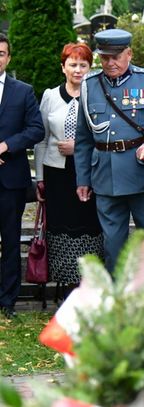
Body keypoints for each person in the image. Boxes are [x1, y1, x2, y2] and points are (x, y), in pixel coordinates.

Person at [74, 29, 144, 272]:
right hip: (105, 177)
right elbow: (84, 138)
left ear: (129, 53)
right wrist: (83, 179)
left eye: (116, 56)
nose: (110, 63)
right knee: (113, 246)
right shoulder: (89, 85)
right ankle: (119, 302)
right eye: (105, 57)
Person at [34, 43, 103, 297]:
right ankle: (66, 287)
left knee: (89, 225)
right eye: (72, 64)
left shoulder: (96, 95)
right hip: (57, 174)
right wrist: (40, 178)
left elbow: (106, 136)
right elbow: (41, 138)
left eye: (83, 65)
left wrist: (80, 147)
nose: (78, 70)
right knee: (62, 227)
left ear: (89, 67)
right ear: (63, 67)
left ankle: (88, 285)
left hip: (90, 171)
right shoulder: (50, 96)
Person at [0, 33, 45, 319]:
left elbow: (36, 129)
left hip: (10, 180)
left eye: (1, 53)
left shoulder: (22, 91)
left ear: (8, 57)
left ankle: (7, 301)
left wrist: (7, 145)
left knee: (11, 240)